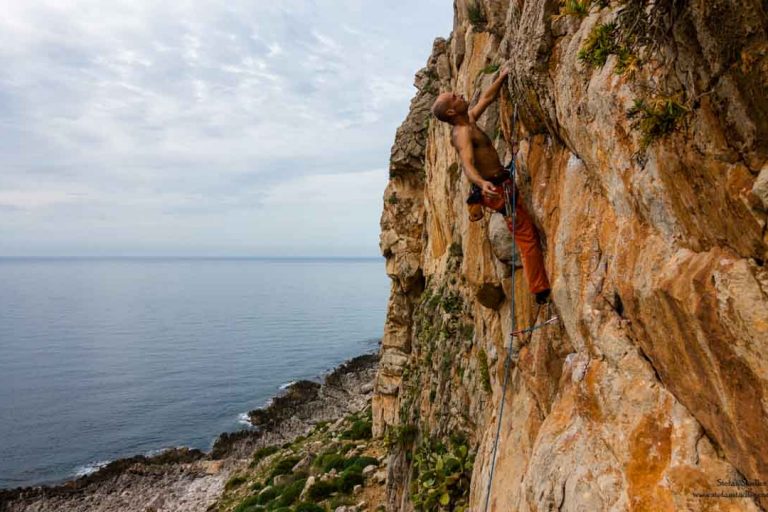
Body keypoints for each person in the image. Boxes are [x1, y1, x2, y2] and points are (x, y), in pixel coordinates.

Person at [430, 65, 551, 304]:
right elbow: (467, 164)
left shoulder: (470, 119)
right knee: (526, 237)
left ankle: (538, 285)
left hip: (501, 182)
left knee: (525, 229)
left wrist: (502, 77)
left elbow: (486, 97)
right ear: (452, 111)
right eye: (455, 97)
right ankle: (540, 291)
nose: (460, 95)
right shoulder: (462, 133)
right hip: (496, 190)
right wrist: (481, 182)